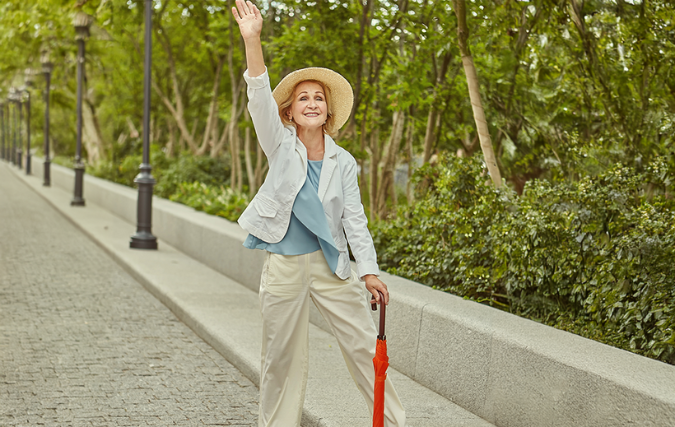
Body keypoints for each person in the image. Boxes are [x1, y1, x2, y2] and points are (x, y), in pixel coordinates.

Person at [231, 1, 406, 426]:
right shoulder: (278, 142)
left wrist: (369, 271)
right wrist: (252, 39)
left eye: (319, 98)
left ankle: (395, 423)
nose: (311, 103)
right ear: (289, 111)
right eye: (303, 98)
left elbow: (354, 220)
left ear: (329, 111)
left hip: (331, 266)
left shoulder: (343, 162)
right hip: (285, 266)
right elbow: (257, 94)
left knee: (366, 348)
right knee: (281, 360)